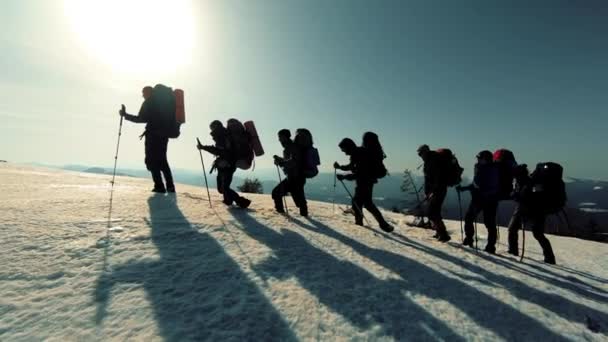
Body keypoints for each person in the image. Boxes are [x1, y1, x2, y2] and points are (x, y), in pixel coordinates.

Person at [119, 86, 175, 193]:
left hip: (153, 136)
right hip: (164, 136)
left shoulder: (149, 102)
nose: (143, 95)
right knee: (163, 161)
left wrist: (125, 115)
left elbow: (141, 119)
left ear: (148, 92)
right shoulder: (163, 103)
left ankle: (159, 186)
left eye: (143, 93)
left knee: (152, 161)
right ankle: (170, 187)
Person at [334, 135, 393, 233]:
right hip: (366, 181)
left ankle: (382, 225)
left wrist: (344, 177)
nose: (344, 153)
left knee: (366, 204)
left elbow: (359, 173)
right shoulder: (357, 153)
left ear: (348, 146)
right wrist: (340, 167)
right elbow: (352, 167)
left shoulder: (358, 154)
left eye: (344, 150)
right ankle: (363, 223)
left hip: (365, 182)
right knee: (358, 202)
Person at [507, 164, 556, 264]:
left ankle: (513, 251)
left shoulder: (528, 183)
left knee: (513, 229)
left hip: (531, 211)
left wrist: (516, 195)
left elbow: (526, 198)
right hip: (535, 212)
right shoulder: (524, 182)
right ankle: (550, 257)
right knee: (538, 234)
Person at [197, 120, 251, 209]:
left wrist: (203, 147)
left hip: (227, 164)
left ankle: (242, 202)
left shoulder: (222, 136)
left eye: (211, 128)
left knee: (223, 188)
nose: (211, 130)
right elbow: (221, 150)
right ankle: (228, 200)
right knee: (223, 187)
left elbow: (220, 151)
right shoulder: (224, 135)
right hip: (228, 164)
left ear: (215, 127)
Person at [456, 150, 500, 253]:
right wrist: (465, 188)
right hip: (491, 200)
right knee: (490, 224)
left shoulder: (483, 169)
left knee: (469, 218)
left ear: (485, 159)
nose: (478, 160)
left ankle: (469, 239)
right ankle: (490, 247)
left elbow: (477, 185)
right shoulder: (494, 169)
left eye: (480, 158)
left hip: (480, 200)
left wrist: (467, 189)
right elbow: (477, 185)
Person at [417, 144, 451, 242]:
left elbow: (437, 178)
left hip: (437, 191)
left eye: (420, 154)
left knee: (431, 212)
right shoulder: (431, 160)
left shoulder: (433, 161)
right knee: (435, 212)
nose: (420, 156)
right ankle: (439, 232)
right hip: (436, 190)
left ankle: (444, 235)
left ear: (425, 152)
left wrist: (433, 191)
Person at [272, 129, 309, 216]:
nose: (279, 139)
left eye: (280, 137)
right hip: (293, 177)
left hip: (297, 178)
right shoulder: (288, 147)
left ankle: (282, 213)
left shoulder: (293, 147)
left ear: (285, 137)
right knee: (277, 193)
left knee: (299, 201)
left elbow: (294, 162)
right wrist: (280, 159)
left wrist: (282, 162)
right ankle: (281, 213)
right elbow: (289, 161)